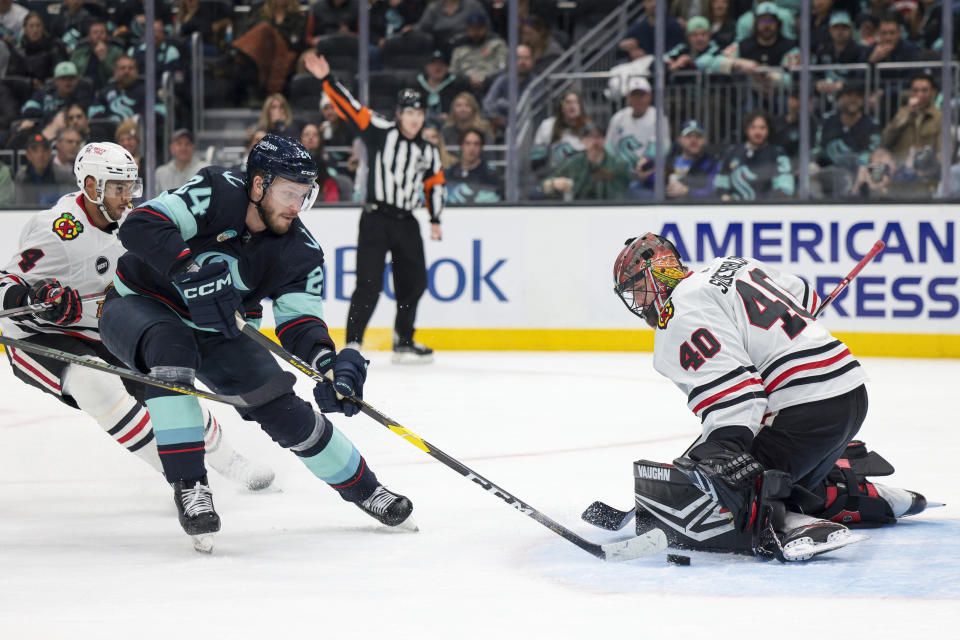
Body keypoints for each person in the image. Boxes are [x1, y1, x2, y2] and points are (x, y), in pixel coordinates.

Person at [97, 134, 415, 548]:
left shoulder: (300, 251)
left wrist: (328, 362)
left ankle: (367, 490)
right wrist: (186, 268)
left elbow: (300, 322)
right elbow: (142, 223)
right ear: (259, 184)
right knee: (170, 349)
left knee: (284, 409)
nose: (296, 206)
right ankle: (191, 487)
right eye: (288, 193)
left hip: (218, 330)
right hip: (139, 304)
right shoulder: (216, 192)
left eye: (304, 195)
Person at [610, 233, 930, 561]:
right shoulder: (732, 264)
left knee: (720, 491)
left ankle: (786, 522)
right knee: (738, 459)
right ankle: (858, 493)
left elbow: (738, 399)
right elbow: (806, 296)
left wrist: (720, 457)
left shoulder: (678, 314)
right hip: (850, 392)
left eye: (636, 287)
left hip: (805, 409)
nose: (637, 299)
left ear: (653, 275)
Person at [0, 141, 274, 498]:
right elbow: (6, 283)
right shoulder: (58, 229)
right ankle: (182, 478)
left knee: (165, 385)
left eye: (130, 186)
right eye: (117, 187)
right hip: (36, 335)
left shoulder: (133, 223)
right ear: (91, 187)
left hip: (98, 326)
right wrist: (37, 298)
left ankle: (231, 461)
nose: (126, 196)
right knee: (93, 384)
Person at [306, 51, 445, 363]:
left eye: (420, 113)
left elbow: (435, 183)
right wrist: (326, 80)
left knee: (416, 281)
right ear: (399, 114)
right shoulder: (381, 132)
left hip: (407, 220)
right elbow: (351, 108)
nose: (415, 118)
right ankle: (354, 342)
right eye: (410, 113)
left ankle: (404, 339)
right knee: (368, 282)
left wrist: (435, 218)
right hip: (376, 218)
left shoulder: (428, 150)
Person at [811, 84, 880, 197]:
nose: (853, 99)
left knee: (877, 169)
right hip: (829, 173)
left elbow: (875, 155)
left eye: (858, 96)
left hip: (860, 176)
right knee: (810, 171)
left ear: (863, 101)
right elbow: (817, 149)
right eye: (849, 95)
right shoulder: (827, 120)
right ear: (840, 98)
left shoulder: (872, 124)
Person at [540, 122, 633, 201]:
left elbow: (622, 194)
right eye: (590, 137)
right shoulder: (574, 163)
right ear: (583, 140)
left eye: (599, 137)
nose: (595, 142)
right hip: (579, 212)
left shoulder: (619, 164)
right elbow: (544, 185)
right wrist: (554, 184)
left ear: (605, 140)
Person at [881, 73, 942, 194]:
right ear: (910, 92)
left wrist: (929, 171)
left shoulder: (940, 118)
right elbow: (885, 140)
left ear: (933, 92)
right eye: (915, 90)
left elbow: (943, 152)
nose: (919, 95)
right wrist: (906, 115)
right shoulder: (902, 113)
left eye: (924, 91)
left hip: (925, 174)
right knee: (872, 168)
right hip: (898, 170)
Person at [714, 110, 794, 201]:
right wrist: (726, 198)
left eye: (762, 128)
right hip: (735, 212)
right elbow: (720, 185)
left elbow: (785, 189)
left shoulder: (778, 155)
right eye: (753, 127)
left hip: (768, 211)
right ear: (746, 130)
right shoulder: (732, 153)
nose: (757, 132)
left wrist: (764, 204)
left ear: (768, 130)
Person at [640, 119, 719, 200]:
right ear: (680, 139)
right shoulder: (668, 162)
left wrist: (688, 192)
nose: (693, 140)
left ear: (704, 140)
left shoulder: (710, 164)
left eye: (698, 136)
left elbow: (713, 191)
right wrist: (645, 176)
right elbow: (654, 183)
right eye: (688, 136)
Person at [605, 77, 670, 173]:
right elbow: (609, 145)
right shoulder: (618, 117)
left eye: (642, 95)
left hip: (649, 170)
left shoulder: (658, 117)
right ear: (628, 98)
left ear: (649, 97)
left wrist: (647, 164)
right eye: (634, 95)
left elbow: (665, 146)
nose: (638, 99)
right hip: (621, 171)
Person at [88, 55, 167, 124]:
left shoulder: (147, 91)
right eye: (122, 68)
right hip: (111, 134)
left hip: (140, 133)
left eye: (131, 68)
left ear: (137, 71)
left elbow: (161, 111)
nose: (126, 71)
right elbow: (93, 112)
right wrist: (111, 123)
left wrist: (138, 119)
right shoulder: (105, 92)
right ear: (115, 71)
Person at [19, 61, 94, 131]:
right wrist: (50, 114)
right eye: (63, 78)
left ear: (77, 79)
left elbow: (92, 115)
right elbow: (27, 110)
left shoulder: (84, 95)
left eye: (71, 78)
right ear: (55, 80)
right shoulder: (44, 94)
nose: (68, 82)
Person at [530, 90, 589, 176]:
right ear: (561, 106)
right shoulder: (548, 126)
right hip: (556, 180)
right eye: (568, 102)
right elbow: (536, 164)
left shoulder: (589, 128)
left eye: (576, 102)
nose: (572, 106)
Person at [449, 11, 507, 93]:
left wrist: (486, 80)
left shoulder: (497, 44)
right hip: (465, 87)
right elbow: (453, 72)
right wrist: (468, 80)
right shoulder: (459, 48)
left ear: (486, 28)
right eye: (473, 29)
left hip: (492, 85)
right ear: (468, 29)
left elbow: (503, 69)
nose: (476, 32)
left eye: (479, 28)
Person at [14, 133, 75, 207]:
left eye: (44, 150)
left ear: (50, 153)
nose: (40, 154)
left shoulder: (63, 175)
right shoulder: (22, 176)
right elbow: (19, 205)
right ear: (28, 155)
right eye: (35, 150)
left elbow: (67, 204)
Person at [445, 128, 501, 203]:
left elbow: (497, 198)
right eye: (468, 143)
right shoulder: (449, 172)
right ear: (461, 146)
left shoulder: (491, 173)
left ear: (481, 147)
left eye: (476, 144)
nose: (472, 148)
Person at [70, 20, 125, 91]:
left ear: (107, 36)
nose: (99, 35)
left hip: (109, 89)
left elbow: (119, 76)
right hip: (82, 90)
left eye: (102, 32)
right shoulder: (79, 52)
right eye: (95, 33)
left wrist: (104, 59)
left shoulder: (117, 52)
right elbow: (73, 72)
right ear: (89, 37)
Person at [416, 49, 468, 122]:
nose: (437, 68)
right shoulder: (417, 84)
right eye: (433, 64)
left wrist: (451, 116)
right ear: (426, 67)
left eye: (441, 64)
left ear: (447, 68)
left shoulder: (456, 85)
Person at [155, 129, 208, 194]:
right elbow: (155, 201)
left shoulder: (205, 170)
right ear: (172, 148)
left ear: (193, 147)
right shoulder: (161, 173)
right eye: (179, 144)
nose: (183, 148)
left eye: (187, 144)